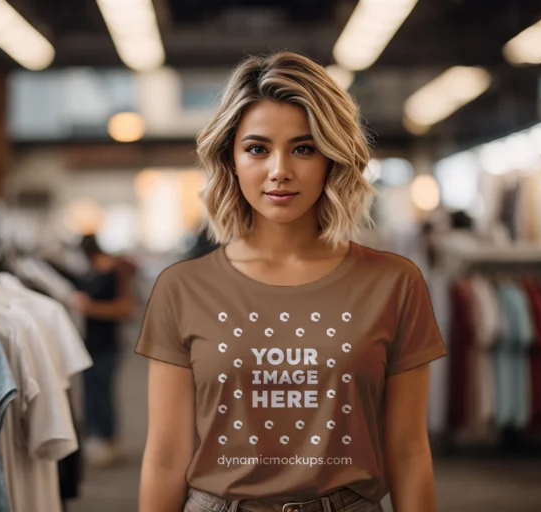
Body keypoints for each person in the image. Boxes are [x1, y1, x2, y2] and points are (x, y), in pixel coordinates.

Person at [135, 52, 447, 512]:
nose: (279, 169)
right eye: (257, 149)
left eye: (303, 148)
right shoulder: (182, 289)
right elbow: (165, 458)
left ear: (332, 158)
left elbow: (408, 452)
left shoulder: (395, 283)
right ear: (232, 159)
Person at [73, 234, 135, 467]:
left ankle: (108, 440)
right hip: (89, 343)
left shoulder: (115, 272)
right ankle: (99, 439)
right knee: (91, 393)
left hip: (107, 343)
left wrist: (89, 308)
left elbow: (125, 309)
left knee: (103, 393)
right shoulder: (90, 273)